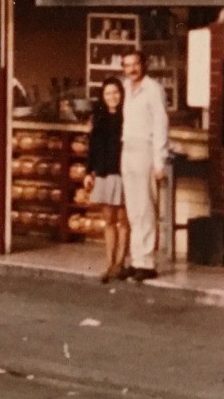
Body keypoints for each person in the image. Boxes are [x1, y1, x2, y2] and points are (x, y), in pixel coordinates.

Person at [119, 48, 170, 282]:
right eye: (127, 65)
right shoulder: (125, 88)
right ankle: (136, 259)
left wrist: (159, 162)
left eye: (135, 64)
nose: (132, 69)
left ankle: (147, 261)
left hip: (145, 150)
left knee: (146, 207)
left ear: (144, 64)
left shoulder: (153, 89)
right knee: (133, 209)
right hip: (127, 149)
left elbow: (161, 125)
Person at [84, 77, 129, 283]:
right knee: (108, 220)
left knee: (123, 219)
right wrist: (88, 172)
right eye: (108, 93)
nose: (113, 97)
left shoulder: (128, 116)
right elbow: (92, 147)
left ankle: (120, 263)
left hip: (123, 172)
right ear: (103, 96)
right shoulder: (98, 117)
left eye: (116, 92)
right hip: (103, 173)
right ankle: (109, 263)